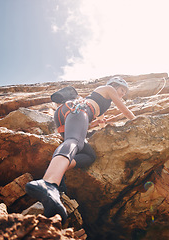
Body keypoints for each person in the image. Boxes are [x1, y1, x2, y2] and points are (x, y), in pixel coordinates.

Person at [25, 76, 135, 223]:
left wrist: (98, 121)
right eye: (122, 90)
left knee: (88, 154)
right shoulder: (109, 89)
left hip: (69, 112)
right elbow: (123, 108)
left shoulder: (100, 99)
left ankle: (58, 176)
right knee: (74, 141)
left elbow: (88, 121)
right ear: (114, 85)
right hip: (76, 109)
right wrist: (136, 119)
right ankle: (48, 182)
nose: (122, 93)